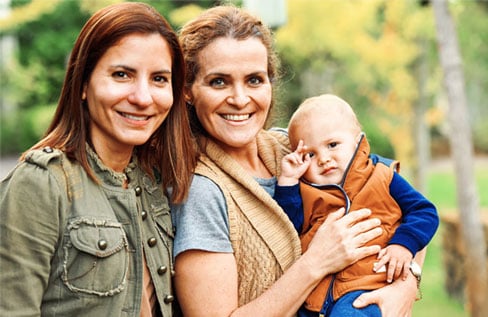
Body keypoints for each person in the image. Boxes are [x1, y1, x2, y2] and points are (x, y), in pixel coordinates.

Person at [171, 5, 424, 316]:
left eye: (254, 80)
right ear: (187, 91)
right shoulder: (202, 193)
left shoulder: (294, 149)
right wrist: (317, 262)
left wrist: (406, 285)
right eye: (219, 82)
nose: (239, 98)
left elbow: (395, 200)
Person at [0, 2, 196, 316]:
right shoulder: (41, 183)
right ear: (83, 83)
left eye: (159, 79)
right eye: (122, 74)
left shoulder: (156, 181)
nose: (143, 98)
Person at [274, 94, 439, 316]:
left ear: (357, 141)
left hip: (369, 285)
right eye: (311, 154)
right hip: (318, 296)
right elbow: (288, 228)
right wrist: (288, 184)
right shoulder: (305, 191)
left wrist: (403, 245)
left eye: (332, 145)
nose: (324, 158)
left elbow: (424, 211)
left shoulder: (382, 176)